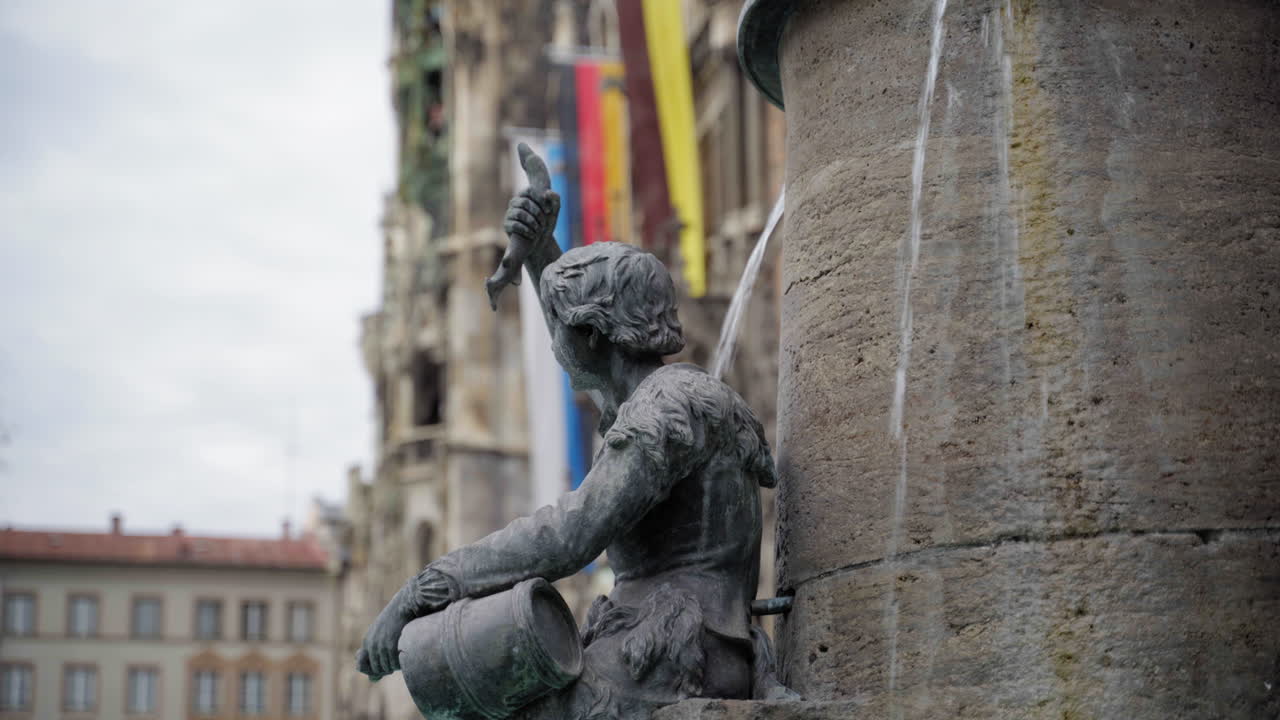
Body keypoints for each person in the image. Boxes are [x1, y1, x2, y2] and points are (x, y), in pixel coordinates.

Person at [357, 145, 784, 718]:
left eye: (563, 330)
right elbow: (598, 366)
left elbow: (567, 537)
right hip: (670, 647)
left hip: (676, 661)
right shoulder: (666, 397)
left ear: (591, 336)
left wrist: (425, 589)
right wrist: (541, 254)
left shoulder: (666, 415)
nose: (554, 344)